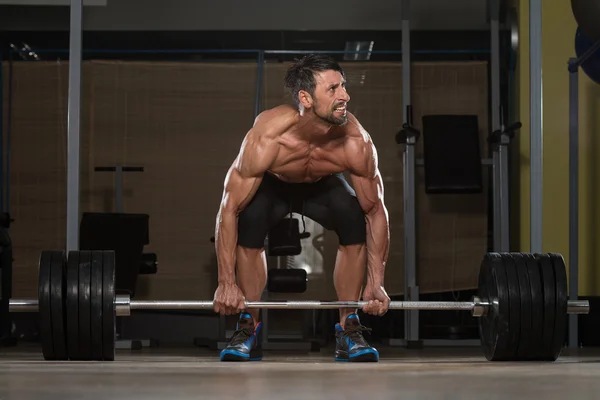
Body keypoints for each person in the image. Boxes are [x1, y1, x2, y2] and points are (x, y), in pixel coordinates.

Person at [213, 54, 390, 362]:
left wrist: (376, 283)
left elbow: (375, 211)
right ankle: (248, 325)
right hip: (274, 185)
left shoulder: (355, 141)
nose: (345, 96)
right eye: (333, 89)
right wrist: (226, 283)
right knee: (250, 220)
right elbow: (228, 208)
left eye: (343, 86)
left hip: (322, 185)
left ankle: (348, 325)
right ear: (305, 98)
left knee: (353, 217)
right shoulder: (268, 136)